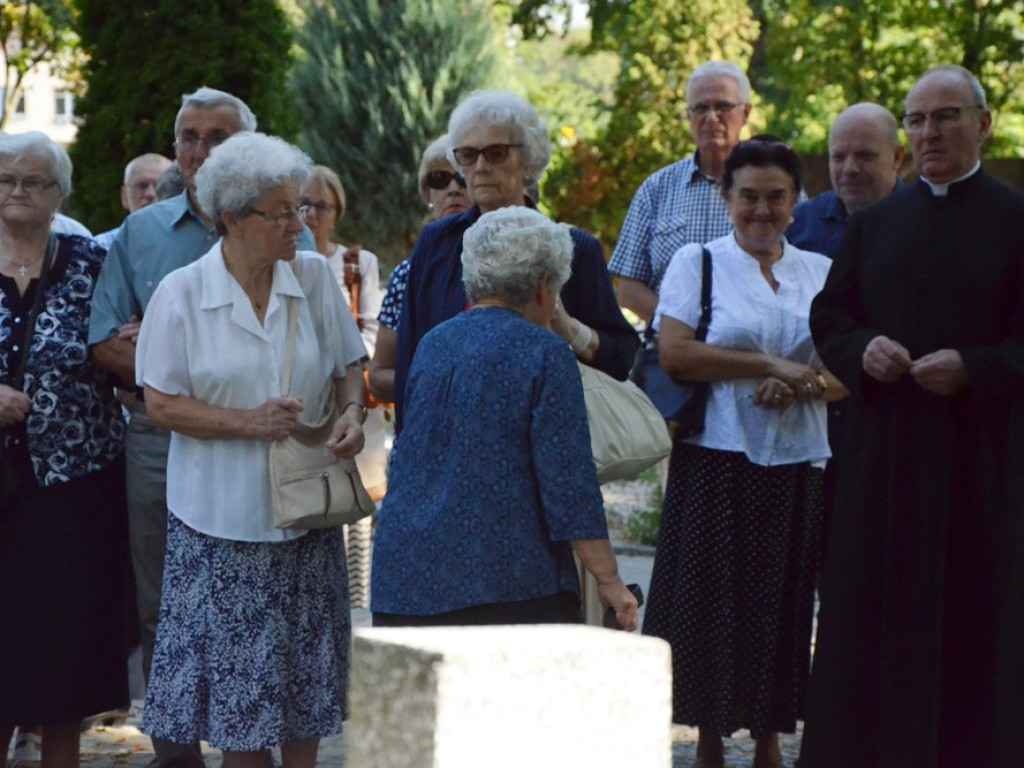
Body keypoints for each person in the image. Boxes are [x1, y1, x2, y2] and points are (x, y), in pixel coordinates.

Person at [801, 66, 1024, 768]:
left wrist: (978, 367)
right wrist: (863, 349)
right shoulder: (874, 225)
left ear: (982, 124)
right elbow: (832, 316)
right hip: (883, 463)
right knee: (870, 622)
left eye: (945, 117)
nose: (928, 133)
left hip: (981, 464)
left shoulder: (1017, 222)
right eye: (917, 120)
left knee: (974, 624)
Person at [89, 86, 310, 768]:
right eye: (188, 135)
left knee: (281, 598)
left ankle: (258, 735)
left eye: (216, 137)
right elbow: (104, 339)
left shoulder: (284, 220)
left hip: (280, 441)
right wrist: (173, 370)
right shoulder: (143, 231)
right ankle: (176, 750)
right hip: (165, 442)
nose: (198, 150)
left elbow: (304, 328)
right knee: (167, 602)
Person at [135, 132, 366, 768]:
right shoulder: (181, 294)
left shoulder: (314, 276)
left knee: (305, 691)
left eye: (300, 207)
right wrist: (247, 421)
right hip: (218, 526)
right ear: (230, 219)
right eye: (281, 212)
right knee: (240, 711)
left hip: (304, 519)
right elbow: (160, 405)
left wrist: (351, 413)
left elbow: (351, 365)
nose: (299, 222)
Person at [641, 138, 847, 768]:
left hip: (797, 462)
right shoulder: (696, 261)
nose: (762, 210)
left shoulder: (819, 271)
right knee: (709, 604)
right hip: (716, 457)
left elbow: (848, 369)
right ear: (728, 198)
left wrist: (800, 384)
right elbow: (675, 353)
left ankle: (768, 741)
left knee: (781, 603)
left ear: (795, 202)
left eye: (776, 197)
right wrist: (764, 363)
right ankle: (706, 742)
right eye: (749, 196)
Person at [371, 206, 638, 629]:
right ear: (544, 286)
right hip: (507, 585)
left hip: (405, 578)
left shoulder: (433, 343)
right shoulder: (544, 351)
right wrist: (610, 581)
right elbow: (568, 484)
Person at [393, 90, 639, 430]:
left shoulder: (573, 248)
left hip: (538, 444)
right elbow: (410, 358)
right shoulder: (437, 243)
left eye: (496, 153)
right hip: (446, 438)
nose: (480, 167)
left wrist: (568, 328)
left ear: (529, 160)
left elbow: (621, 358)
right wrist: (410, 444)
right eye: (467, 154)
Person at [0, 132, 128, 768]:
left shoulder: (91, 262)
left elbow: (124, 347)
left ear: (62, 194)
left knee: (63, 659)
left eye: (34, 182)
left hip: (74, 491)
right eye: (5, 180)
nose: (17, 192)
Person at [608, 61, 752, 325]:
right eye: (700, 108)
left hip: (754, 348)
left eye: (722, 106)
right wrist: (686, 332)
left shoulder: (774, 190)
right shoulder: (656, 189)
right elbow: (629, 289)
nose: (711, 118)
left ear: (746, 113)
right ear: (688, 115)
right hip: (670, 354)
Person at [299, 164, 382, 609]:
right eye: (302, 204)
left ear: (337, 212)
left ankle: (356, 603)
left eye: (320, 205)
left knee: (357, 500)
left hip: (349, 399)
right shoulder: (281, 260)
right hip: (303, 405)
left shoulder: (356, 263)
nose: (310, 214)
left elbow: (372, 331)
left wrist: (334, 364)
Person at [368, 133, 471, 402]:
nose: (453, 189)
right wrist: (435, 383)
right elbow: (378, 376)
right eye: (439, 179)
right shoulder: (407, 274)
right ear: (427, 192)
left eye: (462, 177)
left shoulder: (506, 265)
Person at [787, 103, 905, 258]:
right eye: (839, 157)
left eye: (864, 156)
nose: (850, 169)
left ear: (897, 157)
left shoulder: (925, 223)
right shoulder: (798, 224)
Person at [94, 153, 174, 250]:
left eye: (159, 185)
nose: (150, 194)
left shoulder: (190, 245)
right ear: (124, 196)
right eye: (142, 185)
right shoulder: (99, 248)